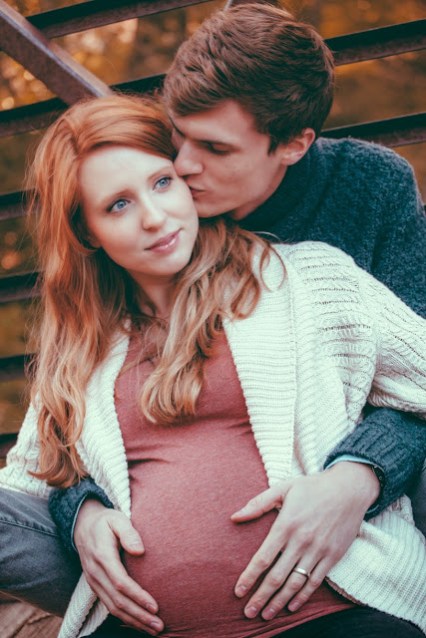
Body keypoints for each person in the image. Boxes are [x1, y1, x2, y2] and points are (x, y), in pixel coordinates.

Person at [0, 0, 425, 629]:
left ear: (293, 146)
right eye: (177, 138)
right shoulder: (97, 320)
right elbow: (52, 456)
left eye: (214, 149)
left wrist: (357, 477)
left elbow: (415, 379)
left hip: (342, 512)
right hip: (149, 583)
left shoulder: (330, 241)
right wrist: (80, 511)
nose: (184, 168)